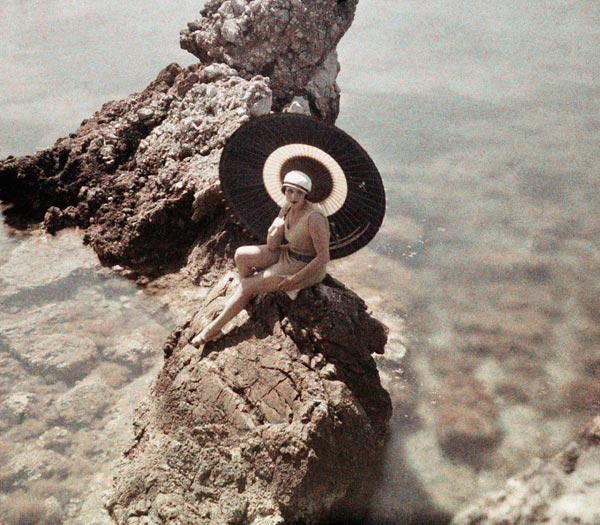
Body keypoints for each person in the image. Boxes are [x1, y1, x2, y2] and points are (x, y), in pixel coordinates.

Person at [193, 170, 330, 344]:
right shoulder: (287, 208)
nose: (294, 196)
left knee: (246, 285)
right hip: (288, 251)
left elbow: (323, 257)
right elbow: (273, 246)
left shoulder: (314, 218)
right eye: (290, 191)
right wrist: (275, 229)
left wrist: (294, 280)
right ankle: (247, 295)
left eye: (299, 192)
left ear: (306, 194)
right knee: (241, 255)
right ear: (284, 190)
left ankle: (212, 331)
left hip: (304, 264)